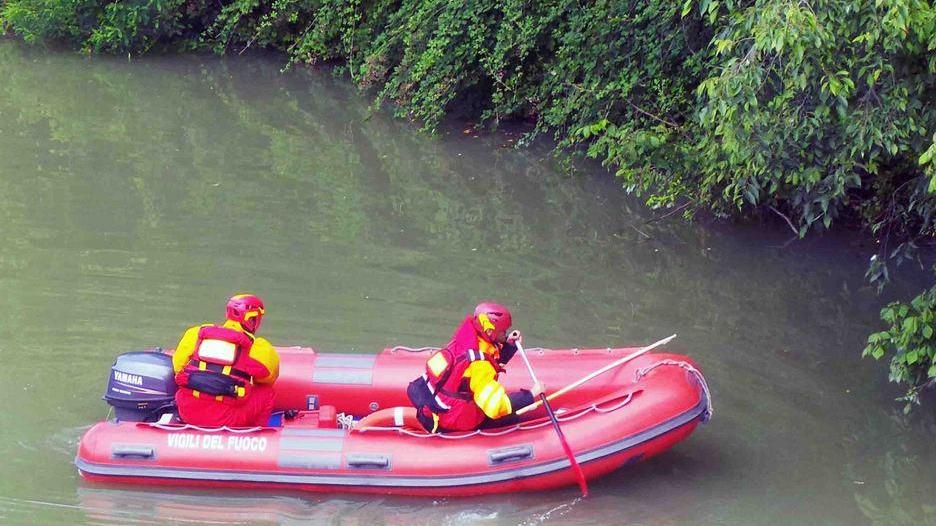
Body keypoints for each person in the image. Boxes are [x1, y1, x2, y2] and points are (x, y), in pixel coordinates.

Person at [405, 302, 544, 433]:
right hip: (453, 419)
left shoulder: (467, 338)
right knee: (509, 417)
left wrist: (509, 345)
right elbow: (495, 406)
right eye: (503, 331)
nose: (505, 333)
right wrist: (530, 395)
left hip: (439, 406)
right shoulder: (480, 366)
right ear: (490, 331)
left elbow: (488, 357)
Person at [172, 294, 280, 427]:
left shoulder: (196, 334)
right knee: (267, 393)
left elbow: (178, 367)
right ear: (252, 320)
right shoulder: (257, 348)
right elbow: (267, 379)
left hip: (187, 413)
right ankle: (257, 436)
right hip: (226, 419)